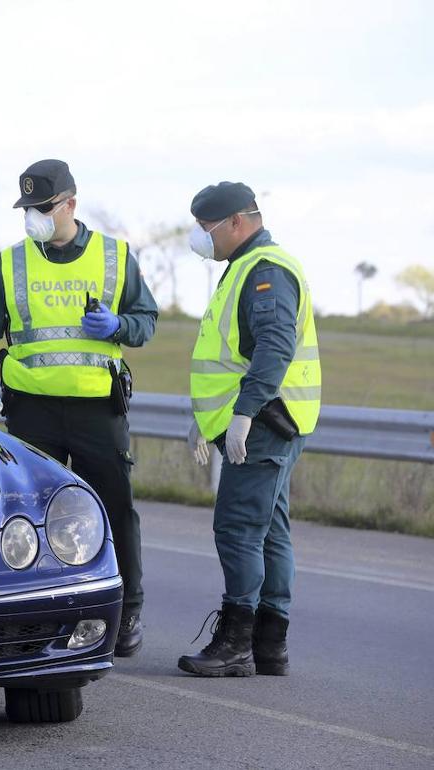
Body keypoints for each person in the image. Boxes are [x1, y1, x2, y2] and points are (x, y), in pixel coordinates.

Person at [0, 159, 158, 656]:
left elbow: (146, 320)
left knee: (114, 510)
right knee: (32, 513)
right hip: (31, 408)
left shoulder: (115, 256)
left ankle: (128, 611)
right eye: (28, 208)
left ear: (70, 204)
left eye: (43, 207)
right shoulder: (11, 262)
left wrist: (118, 326)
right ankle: (44, 611)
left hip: (97, 408)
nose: (34, 216)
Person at [178, 182, 321, 677]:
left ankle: (236, 643)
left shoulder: (265, 272)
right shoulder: (246, 267)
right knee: (271, 532)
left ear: (236, 222)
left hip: (262, 422)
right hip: (267, 421)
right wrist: (205, 419)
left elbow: (274, 346)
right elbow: (229, 356)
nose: (200, 238)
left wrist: (243, 413)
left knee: (238, 529)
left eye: (205, 228)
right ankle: (269, 645)